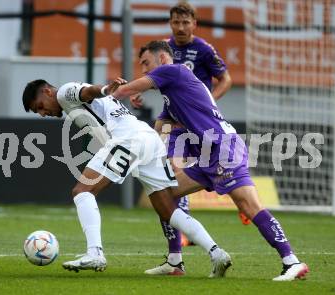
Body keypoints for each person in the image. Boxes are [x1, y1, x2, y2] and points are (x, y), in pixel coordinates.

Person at [110, 40, 309, 281]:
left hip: (223, 147)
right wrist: (151, 150)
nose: (143, 69)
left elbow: (123, 91)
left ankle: (292, 262)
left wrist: (107, 93)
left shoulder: (173, 70)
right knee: (165, 193)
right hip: (206, 155)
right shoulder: (172, 95)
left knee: (249, 206)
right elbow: (161, 126)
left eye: (145, 63)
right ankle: (175, 260)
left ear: (162, 58)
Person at [21, 78, 232, 277]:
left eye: (39, 106)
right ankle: (216, 253)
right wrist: (107, 92)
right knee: (168, 208)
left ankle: (95, 253)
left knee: (82, 191)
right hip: (148, 138)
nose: (42, 113)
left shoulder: (64, 93)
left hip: (127, 139)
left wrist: (105, 89)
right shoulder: (68, 103)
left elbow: (88, 92)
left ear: (48, 91)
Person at [130, 2, 240, 276]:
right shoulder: (163, 49)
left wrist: (207, 104)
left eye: (185, 23)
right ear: (170, 24)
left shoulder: (203, 49)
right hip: (174, 122)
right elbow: (155, 80)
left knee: (176, 182)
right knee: (166, 180)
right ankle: (176, 255)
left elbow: (225, 78)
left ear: (194, 24)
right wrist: (139, 93)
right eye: (175, 23)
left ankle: (241, 205)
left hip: (201, 125)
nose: (180, 28)